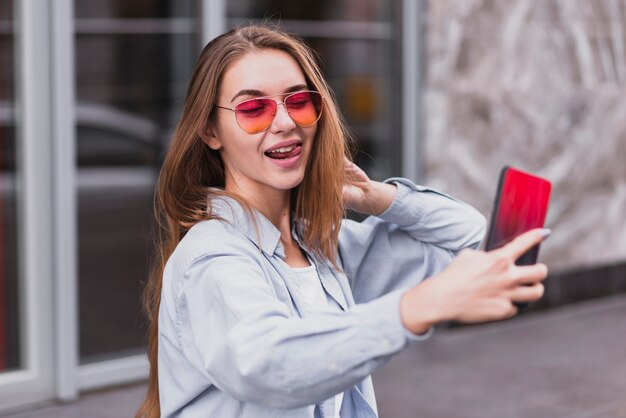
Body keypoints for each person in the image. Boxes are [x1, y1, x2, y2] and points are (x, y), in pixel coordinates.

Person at [136, 24, 549, 418]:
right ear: (211, 130)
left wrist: (380, 198)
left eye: (298, 101)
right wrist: (416, 308)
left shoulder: (325, 248)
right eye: (253, 109)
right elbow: (269, 364)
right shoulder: (212, 256)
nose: (285, 123)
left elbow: (472, 242)